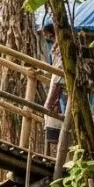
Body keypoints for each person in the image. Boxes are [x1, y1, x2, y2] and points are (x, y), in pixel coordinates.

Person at [42, 22, 66, 154]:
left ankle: (61, 153)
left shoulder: (61, 48)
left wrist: (51, 99)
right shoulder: (56, 47)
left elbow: (58, 74)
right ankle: (59, 152)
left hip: (61, 84)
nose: (48, 39)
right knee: (60, 113)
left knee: (62, 114)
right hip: (58, 83)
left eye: (48, 36)